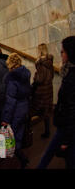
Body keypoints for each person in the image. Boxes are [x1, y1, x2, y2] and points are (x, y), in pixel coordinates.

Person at [38, 36, 75, 169]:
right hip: (65, 126)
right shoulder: (67, 72)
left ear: (69, 53)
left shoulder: (71, 77)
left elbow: (71, 110)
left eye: (63, 52)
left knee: (47, 157)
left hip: (66, 128)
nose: (61, 54)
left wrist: (65, 140)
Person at [1, 53, 31, 169]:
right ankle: (19, 158)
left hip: (16, 111)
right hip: (24, 108)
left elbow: (11, 101)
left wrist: (5, 119)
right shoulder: (25, 74)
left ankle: (22, 160)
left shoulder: (12, 78)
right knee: (18, 135)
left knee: (13, 137)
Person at [30, 43, 54, 138]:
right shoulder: (50, 61)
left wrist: (35, 78)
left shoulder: (40, 62)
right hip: (48, 88)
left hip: (41, 91)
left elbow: (40, 79)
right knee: (46, 111)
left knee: (33, 109)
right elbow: (51, 75)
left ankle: (28, 133)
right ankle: (47, 131)